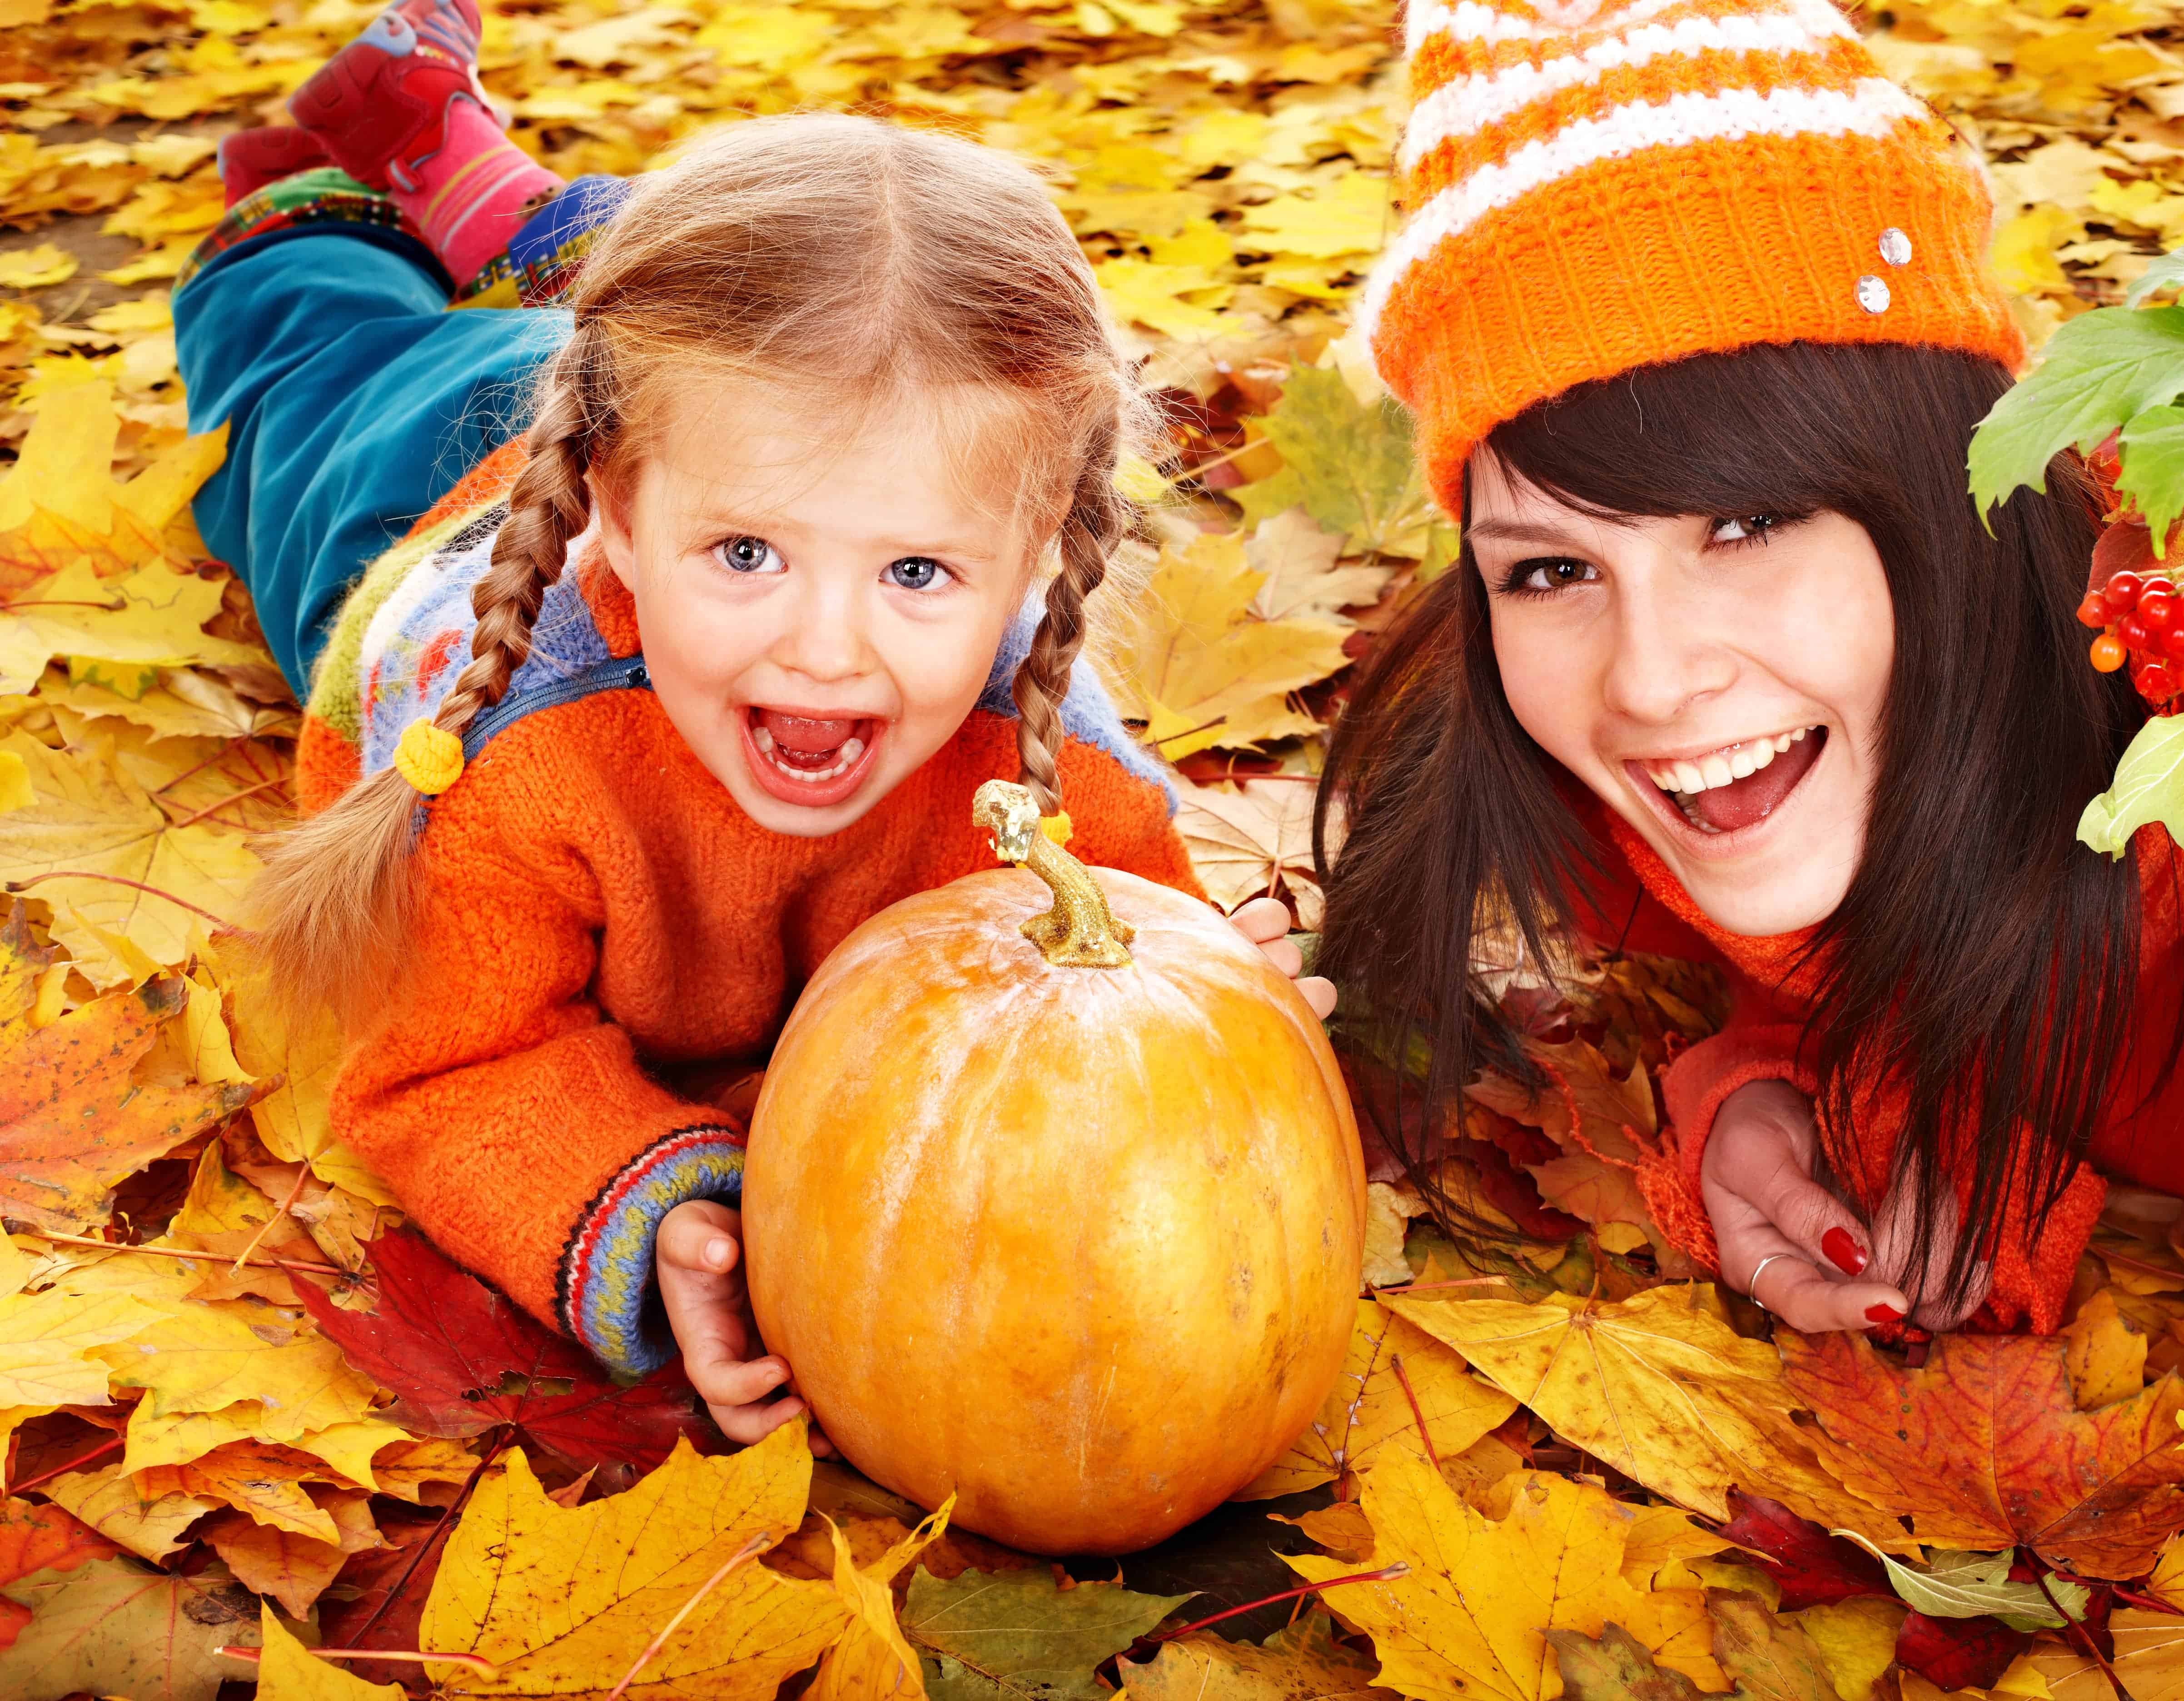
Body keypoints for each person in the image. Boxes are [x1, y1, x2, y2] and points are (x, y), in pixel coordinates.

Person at [1313, 0, 2184, 1610]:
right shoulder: (1624, 800)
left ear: (1948, 490)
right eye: (1554, 568)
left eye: (1748, 522)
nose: (1650, 679)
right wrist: (1779, 1073)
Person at [174, 4, 1329, 1447]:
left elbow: (1128, 985)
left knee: (673, 336)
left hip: (681, 416)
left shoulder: (1036, 746)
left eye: (917, 573)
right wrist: (655, 1208)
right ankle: (300, 207)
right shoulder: (515, 767)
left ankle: (448, 154)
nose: (827, 647)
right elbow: (448, 1059)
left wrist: (1231, 995)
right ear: (617, 510)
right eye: (748, 559)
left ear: (1033, 551)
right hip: (399, 488)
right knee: (300, 377)